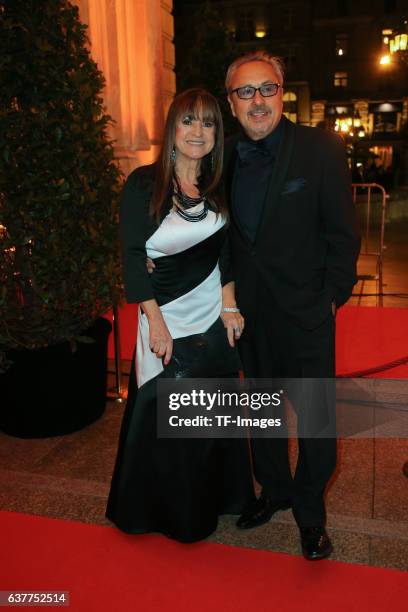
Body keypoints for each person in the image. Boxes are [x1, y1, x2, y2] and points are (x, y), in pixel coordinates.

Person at [223, 52, 360, 559]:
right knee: (262, 418)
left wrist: (330, 298)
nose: (258, 101)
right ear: (232, 103)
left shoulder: (321, 148)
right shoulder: (225, 157)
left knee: (317, 427)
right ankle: (274, 490)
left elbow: (344, 234)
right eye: (245, 92)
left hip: (307, 314)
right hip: (250, 318)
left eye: (267, 89)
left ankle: (310, 514)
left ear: (283, 92)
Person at [106, 88, 255, 543]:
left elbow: (225, 250)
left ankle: (222, 499)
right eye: (188, 121)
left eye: (208, 123)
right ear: (172, 129)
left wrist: (229, 304)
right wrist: (156, 323)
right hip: (166, 318)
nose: (198, 132)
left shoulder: (215, 186)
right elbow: (133, 258)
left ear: (217, 134)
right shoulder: (143, 184)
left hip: (211, 314)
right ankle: (171, 512)